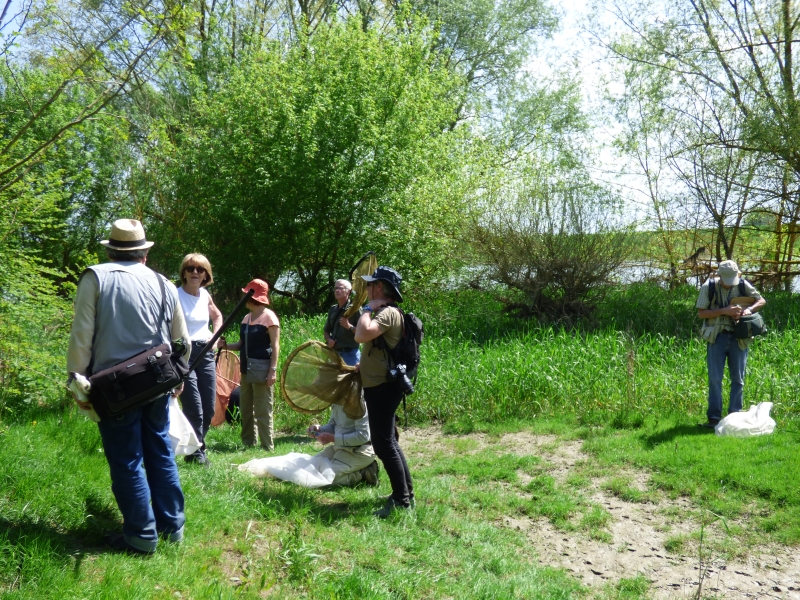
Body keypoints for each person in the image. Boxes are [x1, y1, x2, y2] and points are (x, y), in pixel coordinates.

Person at [66, 219, 190, 554]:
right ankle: (172, 527)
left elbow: (81, 335)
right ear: (143, 254)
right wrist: (178, 378)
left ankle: (140, 536)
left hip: (115, 390)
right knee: (160, 452)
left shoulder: (95, 278)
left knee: (127, 460)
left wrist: (77, 382)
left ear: (110, 251)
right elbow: (182, 340)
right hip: (158, 383)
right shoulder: (164, 283)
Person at [354, 266, 414, 517]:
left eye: (370, 285)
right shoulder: (386, 312)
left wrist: (367, 309)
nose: (367, 289)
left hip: (382, 388)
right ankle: (405, 494)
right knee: (389, 442)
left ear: (379, 287)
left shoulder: (387, 312)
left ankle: (401, 501)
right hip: (380, 385)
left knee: (384, 445)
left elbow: (361, 334)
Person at [696, 260, 766, 428]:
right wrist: (724, 311)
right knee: (715, 379)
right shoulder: (708, 287)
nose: (729, 284)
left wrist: (748, 310)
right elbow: (701, 313)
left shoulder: (742, 284)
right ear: (719, 275)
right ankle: (714, 419)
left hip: (739, 337)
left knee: (738, 379)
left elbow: (761, 300)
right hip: (717, 337)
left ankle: (734, 417)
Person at [177, 253, 223, 465]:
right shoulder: (176, 295)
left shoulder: (205, 296)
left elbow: (217, 316)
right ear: (184, 273)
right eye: (190, 268)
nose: (195, 272)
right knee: (194, 407)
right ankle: (196, 453)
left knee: (209, 407)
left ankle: (196, 448)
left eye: (200, 269)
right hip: (184, 355)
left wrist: (215, 338)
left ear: (206, 275)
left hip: (206, 353)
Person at [225, 279, 280, 450]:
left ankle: (267, 446)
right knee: (245, 408)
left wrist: (273, 371)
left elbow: (276, 346)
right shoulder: (246, 318)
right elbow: (241, 344)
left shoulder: (269, 317)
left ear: (253, 297)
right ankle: (248, 443)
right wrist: (225, 346)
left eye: (246, 294)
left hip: (263, 370)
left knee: (263, 409)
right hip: (246, 370)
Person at [304, 407, 379, 487]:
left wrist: (332, 438)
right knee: (308, 468)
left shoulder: (360, 404)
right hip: (339, 447)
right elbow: (333, 425)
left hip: (359, 451)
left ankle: (363, 472)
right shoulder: (337, 402)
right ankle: (358, 468)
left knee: (323, 478)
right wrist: (319, 429)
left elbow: (363, 436)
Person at [323, 279, 362, 367]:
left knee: (352, 376)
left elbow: (363, 333)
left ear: (348, 291)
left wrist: (349, 326)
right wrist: (329, 340)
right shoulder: (333, 309)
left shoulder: (355, 309)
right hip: (334, 354)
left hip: (350, 355)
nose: (337, 290)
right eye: (335, 288)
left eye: (340, 288)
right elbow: (326, 331)